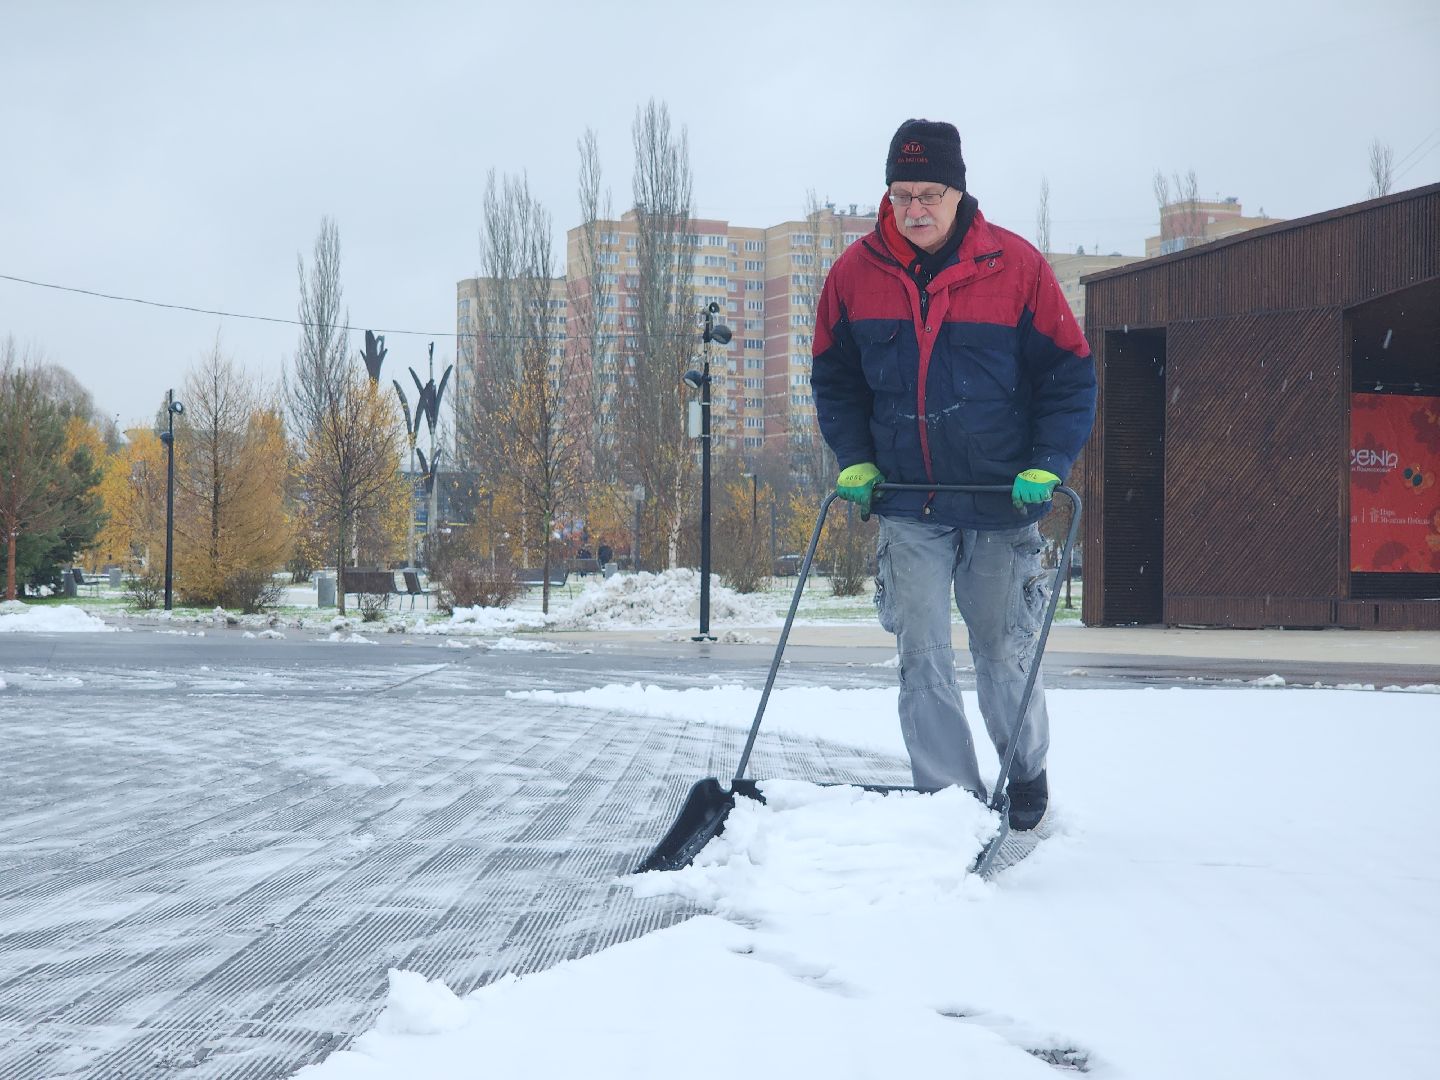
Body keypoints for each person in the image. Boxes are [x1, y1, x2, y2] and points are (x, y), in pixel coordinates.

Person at [810, 119, 1096, 831]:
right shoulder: (853, 275)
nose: (914, 209)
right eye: (902, 193)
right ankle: (948, 802)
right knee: (923, 656)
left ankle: (1024, 773)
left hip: (1002, 501)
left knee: (1002, 654)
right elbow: (834, 379)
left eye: (929, 193)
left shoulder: (1017, 269)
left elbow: (1070, 376)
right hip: (908, 502)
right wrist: (855, 458)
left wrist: (1046, 463)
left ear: (958, 191)